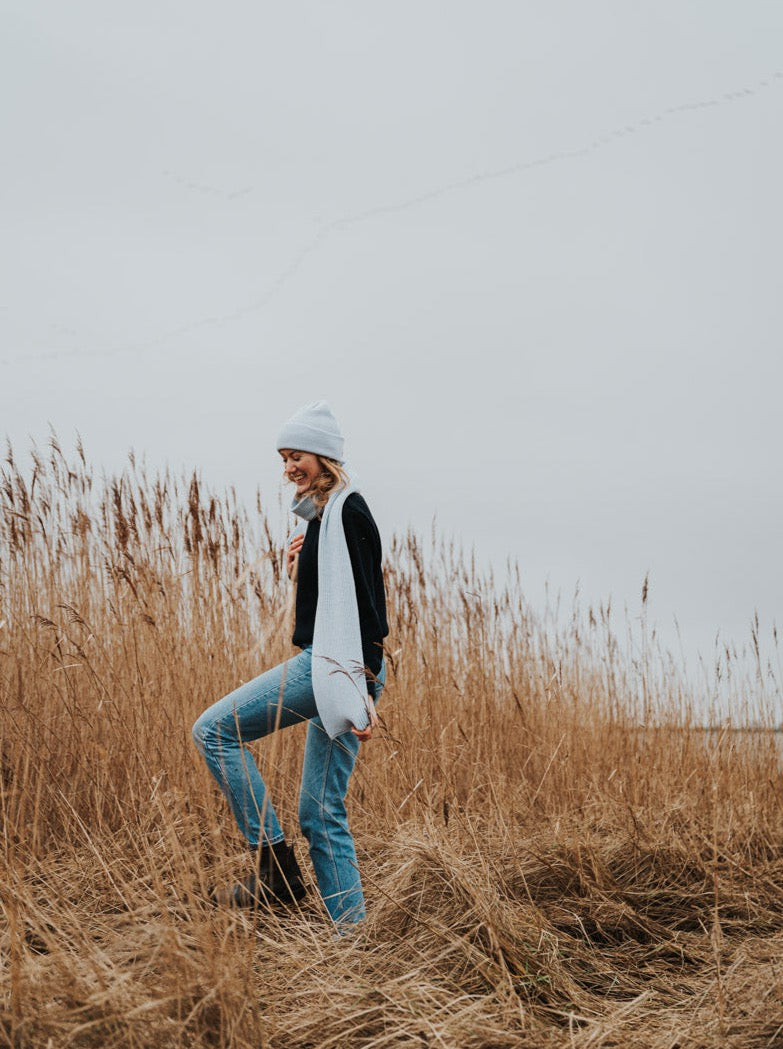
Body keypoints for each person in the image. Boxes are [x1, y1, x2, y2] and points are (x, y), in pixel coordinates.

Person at [192, 401, 389, 929]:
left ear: (324, 457)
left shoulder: (347, 511)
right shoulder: (329, 518)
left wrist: (362, 687)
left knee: (214, 731)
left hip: (338, 667)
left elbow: (370, 607)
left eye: (296, 455)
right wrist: (307, 559)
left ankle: (275, 870)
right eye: (283, 457)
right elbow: (337, 590)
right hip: (338, 665)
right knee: (320, 813)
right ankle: (354, 943)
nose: (288, 467)